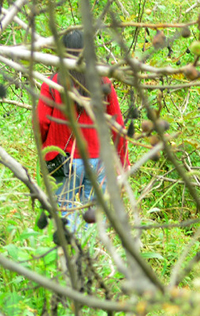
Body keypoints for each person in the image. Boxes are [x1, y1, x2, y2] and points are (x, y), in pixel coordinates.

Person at [35, 29, 129, 231]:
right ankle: (90, 259)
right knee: (94, 216)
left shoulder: (52, 83)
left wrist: (46, 151)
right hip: (99, 160)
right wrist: (123, 162)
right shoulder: (103, 82)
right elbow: (117, 125)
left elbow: (41, 122)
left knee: (65, 213)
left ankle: (69, 257)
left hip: (64, 159)